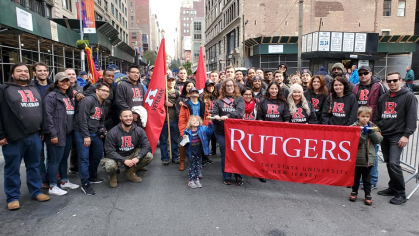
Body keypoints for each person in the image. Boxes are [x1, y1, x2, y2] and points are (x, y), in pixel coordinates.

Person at [0, 62, 50, 210]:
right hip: (13, 137)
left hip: (34, 135)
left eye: (25, 71)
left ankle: (35, 191)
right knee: (12, 168)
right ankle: (12, 197)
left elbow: (42, 110)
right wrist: (1, 134)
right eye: (19, 71)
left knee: (34, 165)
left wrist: (42, 130)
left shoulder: (34, 88)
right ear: (12, 74)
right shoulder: (4, 90)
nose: (23, 73)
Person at [373, 71, 418, 205]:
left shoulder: (409, 97)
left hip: (398, 135)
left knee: (394, 163)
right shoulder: (383, 97)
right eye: (389, 81)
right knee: (388, 162)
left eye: (395, 80)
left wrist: (406, 135)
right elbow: (377, 116)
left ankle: (400, 193)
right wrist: (379, 128)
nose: (392, 83)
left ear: (401, 80)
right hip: (384, 135)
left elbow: (411, 118)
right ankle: (393, 187)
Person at [44, 72, 79, 196]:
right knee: (54, 160)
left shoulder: (69, 95)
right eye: (62, 81)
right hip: (57, 134)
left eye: (67, 81)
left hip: (68, 133)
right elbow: (47, 117)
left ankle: (64, 181)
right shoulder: (52, 96)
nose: (65, 83)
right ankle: (52, 186)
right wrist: (53, 134)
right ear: (57, 82)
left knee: (64, 158)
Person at [352, 65, 387, 189]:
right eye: (360, 74)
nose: (363, 76)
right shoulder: (355, 88)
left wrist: (378, 123)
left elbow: (384, 104)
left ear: (370, 73)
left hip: (373, 125)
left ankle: (372, 181)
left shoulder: (379, 86)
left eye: (365, 73)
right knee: (360, 154)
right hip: (359, 125)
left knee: (373, 154)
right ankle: (361, 180)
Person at [74, 83, 110, 195]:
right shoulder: (88, 101)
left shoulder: (103, 104)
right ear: (97, 91)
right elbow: (82, 119)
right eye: (103, 90)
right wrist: (85, 136)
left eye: (107, 91)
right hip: (82, 133)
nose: (105, 93)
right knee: (84, 158)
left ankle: (92, 176)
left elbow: (101, 120)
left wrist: (101, 130)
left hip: (95, 133)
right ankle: (85, 183)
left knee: (98, 155)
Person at [101, 110, 153, 188]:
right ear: (120, 118)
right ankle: (113, 176)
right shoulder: (112, 132)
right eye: (125, 116)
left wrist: (138, 158)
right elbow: (109, 151)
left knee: (149, 156)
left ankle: (130, 172)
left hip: (132, 154)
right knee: (110, 165)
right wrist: (124, 160)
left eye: (130, 116)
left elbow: (146, 146)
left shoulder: (139, 130)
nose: (128, 118)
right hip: (117, 157)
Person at [211, 78, 245, 185]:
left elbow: (239, 112)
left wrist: (228, 116)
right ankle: (227, 175)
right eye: (227, 86)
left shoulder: (239, 99)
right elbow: (214, 113)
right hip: (221, 132)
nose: (229, 87)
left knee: (237, 154)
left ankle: (239, 175)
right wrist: (215, 116)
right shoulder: (219, 101)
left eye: (231, 85)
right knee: (225, 153)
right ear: (224, 88)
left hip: (237, 133)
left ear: (234, 87)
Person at [349, 106, 383, 206]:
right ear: (358, 116)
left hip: (369, 158)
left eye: (367, 116)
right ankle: (354, 191)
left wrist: (371, 132)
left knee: (367, 179)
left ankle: (367, 194)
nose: (365, 119)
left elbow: (379, 140)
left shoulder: (373, 127)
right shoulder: (354, 127)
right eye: (363, 116)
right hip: (356, 158)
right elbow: (354, 142)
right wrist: (363, 134)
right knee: (355, 178)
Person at [178, 88, 211, 171]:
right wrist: (182, 132)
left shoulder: (203, 104)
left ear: (198, 94)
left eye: (196, 92)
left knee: (199, 145)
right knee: (183, 143)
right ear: (189, 94)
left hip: (200, 128)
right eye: (192, 92)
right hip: (188, 128)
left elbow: (207, 117)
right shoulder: (185, 105)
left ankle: (199, 162)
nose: (194, 93)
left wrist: (205, 127)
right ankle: (182, 161)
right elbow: (182, 119)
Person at [32, 62, 53, 189]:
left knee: (51, 155)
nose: (42, 73)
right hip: (37, 127)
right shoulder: (30, 87)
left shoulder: (53, 86)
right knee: (39, 155)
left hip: (51, 126)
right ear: (34, 73)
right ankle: (42, 178)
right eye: (39, 71)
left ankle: (50, 177)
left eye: (45, 70)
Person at [182, 116, 214, 188]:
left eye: (197, 120)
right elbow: (184, 144)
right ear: (190, 123)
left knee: (198, 166)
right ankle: (190, 181)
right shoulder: (187, 131)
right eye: (193, 120)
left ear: (200, 122)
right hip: (191, 152)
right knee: (191, 166)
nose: (195, 122)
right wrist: (183, 138)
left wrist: (210, 122)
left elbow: (210, 131)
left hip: (199, 151)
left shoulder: (203, 129)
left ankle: (196, 179)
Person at [159, 76, 180, 165]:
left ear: (175, 82)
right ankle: (165, 157)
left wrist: (172, 105)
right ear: (166, 82)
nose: (171, 82)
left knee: (174, 139)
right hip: (163, 120)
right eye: (169, 81)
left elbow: (180, 105)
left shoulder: (177, 93)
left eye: (172, 81)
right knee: (163, 140)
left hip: (174, 120)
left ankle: (175, 156)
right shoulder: (162, 92)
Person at [176, 81, 196, 170]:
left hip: (196, 126)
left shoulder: (198, 100)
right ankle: (182, 161)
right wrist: (183, 130)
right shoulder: (181, 99)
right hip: (185, 125)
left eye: (192, 86)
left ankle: (195, 162)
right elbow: (179, 114)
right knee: (183, 143)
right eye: (188, 86)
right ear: (185, 87)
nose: (190, 88)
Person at [200, 80, 218, 156]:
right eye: (209, 86)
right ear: (206, 87)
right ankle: (205, 153)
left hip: (215, 118)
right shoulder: (202, 95)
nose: (210, 87)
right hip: (206, 118)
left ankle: (213, 150)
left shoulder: (217, 95)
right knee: (207, 136)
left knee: (214, 136)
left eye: (212, 86)